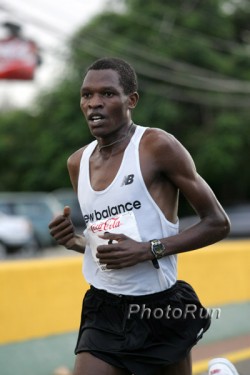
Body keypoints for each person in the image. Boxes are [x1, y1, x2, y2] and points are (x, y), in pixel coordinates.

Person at [48, 57, 230, 375]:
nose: (94, 104)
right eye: (87, 95)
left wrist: (148, 250)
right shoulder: (77, 163)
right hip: (103, 308)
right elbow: (105, 244)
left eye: (107, 94)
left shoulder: (157, 147)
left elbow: (217, 223)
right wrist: (75, 241)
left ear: (131, 100)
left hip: (159, 308)